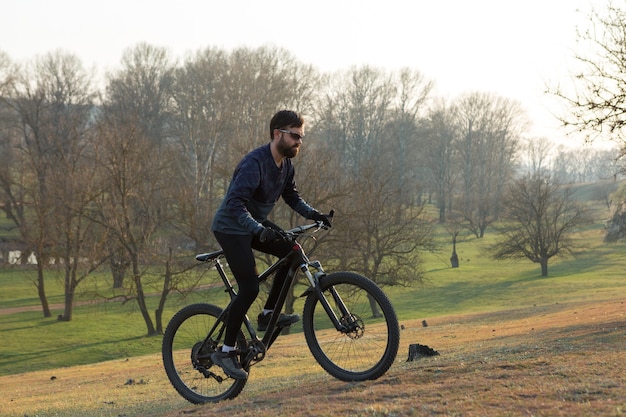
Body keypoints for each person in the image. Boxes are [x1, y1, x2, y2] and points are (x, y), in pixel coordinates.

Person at [210, 110, 332, 379]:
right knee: (249, 287)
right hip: (231, 227)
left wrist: (315, 214)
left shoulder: (286, 166)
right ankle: (226, 351)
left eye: (302, 136)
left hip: (253, 224)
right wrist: (258, 229)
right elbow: (234, 204)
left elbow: (292, 197)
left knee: (293, 252)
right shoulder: (254, 163)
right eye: (295, 136)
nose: (299, 141)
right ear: (278, 134)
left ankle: (267, 315)